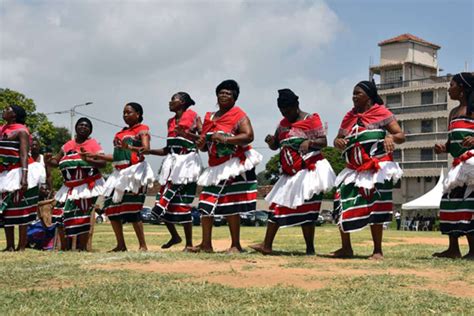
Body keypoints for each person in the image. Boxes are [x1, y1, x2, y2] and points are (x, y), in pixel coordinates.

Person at [250, 89, 336, 255]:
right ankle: (267, 245)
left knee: (308, 210)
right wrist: (271, 142)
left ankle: (310, 249)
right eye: (282, 111)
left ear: (296, 106)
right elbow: (276, 145)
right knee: (276, 206)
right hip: (289, 173)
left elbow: (323, 141)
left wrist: (309, 142)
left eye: (288, 110)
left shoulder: (310, 119)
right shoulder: (282, 125)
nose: (285, 114)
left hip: (309, 170)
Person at [331, 80, 405, 260]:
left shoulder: (381, 112)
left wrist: (390, 137)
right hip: (353, 169)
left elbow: (400, 135)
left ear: (369, 96)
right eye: (353, 93)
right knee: (340, 201)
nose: (354, 96)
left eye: (358, 93)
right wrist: (337, 142)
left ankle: (377, 250)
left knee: (376, 206)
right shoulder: (349, 117)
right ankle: (346, 247)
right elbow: (337, 139)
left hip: (376, 167)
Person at [191, 79, 262, 253]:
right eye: (221, 92)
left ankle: (235, 245)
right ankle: (206, 244)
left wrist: (225, 139)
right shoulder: (210, 117)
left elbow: (249, 136)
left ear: (234, 98)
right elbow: (205, 144)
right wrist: (200, 143)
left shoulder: (238, 114)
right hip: (214, 166)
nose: (223, 95)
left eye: (228, 93)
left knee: (232, 205)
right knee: (205, 203)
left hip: (233, 164)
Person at [143, 92, 202, 251]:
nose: (169, 102)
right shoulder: (170, 122)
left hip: (187, 164)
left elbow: (203, 141)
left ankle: (189, 243)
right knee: (161, 203)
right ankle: (175, 236)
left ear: (182, 102)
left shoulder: (195, 117)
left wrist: (187, 134)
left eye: (173, 100)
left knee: (182, 204)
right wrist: (148, 151)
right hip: (171, 164)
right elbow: (168, 149)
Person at [92, 102, 154, 252]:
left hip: (134, 172)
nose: (125, 115)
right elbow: (115, 156)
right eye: (124, 113)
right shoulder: (119, 134)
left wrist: (131, 147)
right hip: (118, 174)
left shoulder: (142, 130)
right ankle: (121, 245)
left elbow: (146, 150)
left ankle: (143, 245)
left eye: (129, 112)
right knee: (111, 208)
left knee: (133, 210)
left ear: (138, 114)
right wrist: (94, 155)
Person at [45, 118, 106, 251]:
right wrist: (49, 161)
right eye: (80, 125)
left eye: (86, 126)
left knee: (83, 216)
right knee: (59, 214)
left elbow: (103, 163)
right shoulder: (68, 145)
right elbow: (56, 160)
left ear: (90, 130)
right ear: (76, 128)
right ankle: (65, 248)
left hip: (87, 186)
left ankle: (83, 247)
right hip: (68, 186)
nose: (83, 127)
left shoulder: (93, 144)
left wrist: (88, 159)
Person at [433, 72, 474, 259]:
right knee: (449, 202)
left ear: (463, 89)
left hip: (472, 164)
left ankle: (473, 250)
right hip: (457, 165)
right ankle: (453, 248)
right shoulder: (453, 113)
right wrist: (444, 147)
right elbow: (452, 141)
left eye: (452, 85)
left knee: (469, 204)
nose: (449, 89)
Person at [0, 105, 46, 251]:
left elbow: (24, 154)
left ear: (14, 115)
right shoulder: (2, 129)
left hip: (21, 171)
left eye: (7, 109)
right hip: (6, 172)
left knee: (22, 209)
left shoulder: (22, 130)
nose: (4, 111)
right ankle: (9, 246)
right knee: (7, 211)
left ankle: (21, 246)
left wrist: (24, 177)